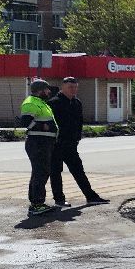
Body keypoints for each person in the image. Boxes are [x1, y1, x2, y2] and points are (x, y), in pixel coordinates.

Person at [48, 76, 107, 206]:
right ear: (63, 87)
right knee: (56, 172)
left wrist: (77, 138)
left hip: (71, 144)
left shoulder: (77, 103)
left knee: (78, 170)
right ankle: (59, 200)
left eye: (75, 87)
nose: (73, 90)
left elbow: (79, 122)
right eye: (70, 87)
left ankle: (91, 196)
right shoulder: (53, 103)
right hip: (56, 144)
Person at [20, 78, 59, 217]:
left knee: (40, 172)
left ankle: (37, 203)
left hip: (44, 142)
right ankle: (37, 204)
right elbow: (25, 122)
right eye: (47, 89)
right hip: (37, 142)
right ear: (40, 90)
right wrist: (43, 126)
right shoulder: (31, 103)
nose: (49, 92)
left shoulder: (41, 103)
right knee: (40, 172)